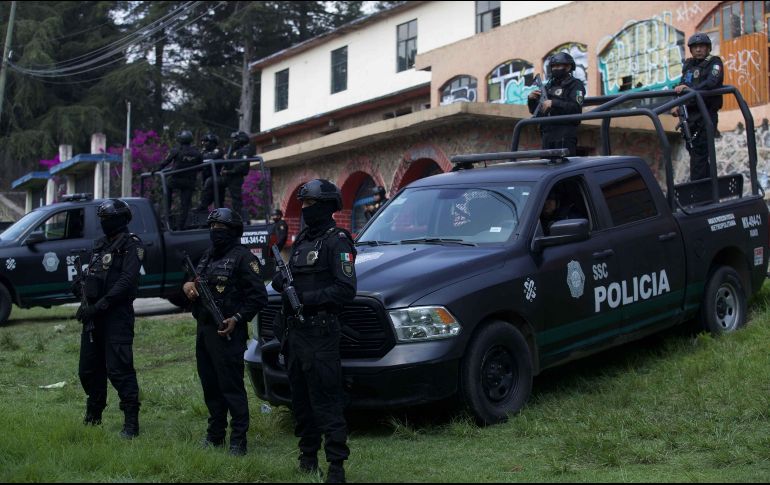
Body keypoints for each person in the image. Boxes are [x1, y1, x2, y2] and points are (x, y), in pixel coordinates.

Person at [271, 179, 356, 483]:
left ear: (325, 207)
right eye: (303, 204)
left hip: (321, 333)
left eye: (309, 204)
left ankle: (336, 466)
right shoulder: (302, 241)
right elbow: (291, 278)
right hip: (295, 335)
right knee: (302, 402)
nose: (305, 209)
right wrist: (281, 284)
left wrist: (306, 300)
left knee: (327, 401)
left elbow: (345, 289)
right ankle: (307, 458)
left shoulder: (338, 241)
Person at [183, 208, 267, 456]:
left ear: (232, 232)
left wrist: (238, 318)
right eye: (212, 228)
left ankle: (238, 440)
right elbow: (193, 282)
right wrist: (188, 286)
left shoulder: (244, 259)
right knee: (210, 385)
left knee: (231, 387)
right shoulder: (207, 257)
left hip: (228, 333)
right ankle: (215, 434)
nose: (214, 233)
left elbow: (258, 297)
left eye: (220, 229)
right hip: (205, 331)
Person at [74, 199, 144, 438]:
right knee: (88, 370)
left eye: (108, 218)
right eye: (101, 219)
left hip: (116, 316)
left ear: (121, 219)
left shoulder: (132, 246)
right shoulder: (100, 245)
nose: (104, 223)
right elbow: (94, 275)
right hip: (94, 318)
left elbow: (127, 281)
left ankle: (131, 424)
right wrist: (81, 287)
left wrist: (102, 304)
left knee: (119, 369)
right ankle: (94, 416)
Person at [672, 32, 724, 182]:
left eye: (702, 46)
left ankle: (698, 192)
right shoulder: (688, 64)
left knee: (700, 154)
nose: (698, 50)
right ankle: (707, 189)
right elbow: (681, 86)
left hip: (706, 114)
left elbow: (712, 83)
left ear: (708, 48)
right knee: (694, 153)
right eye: (695, 47)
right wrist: (677, 104)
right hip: (689, 116)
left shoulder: (714, 62)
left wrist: (690, 93)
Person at [527, 52, 586, 156]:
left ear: (568, 67)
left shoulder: (576, 85)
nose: (555, 69)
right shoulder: (548, 86)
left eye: (558, 66)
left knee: (565, 168)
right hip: (547, 135)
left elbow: (576, 108)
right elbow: (535, 111)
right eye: (553, 66)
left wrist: (554, 103)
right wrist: (532, 99)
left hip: (565, 135)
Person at [159, 130, 203, 230]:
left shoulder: (176, 150)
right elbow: (201, 167)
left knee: (166, 185)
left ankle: (167, 209)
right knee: (185, 205)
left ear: (180, 140)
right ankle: (181, 227)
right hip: (189, 182)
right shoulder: (197, 153)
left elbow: (165, 162)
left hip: (175, 180)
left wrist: (156, 170)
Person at [223, 131, 252, 219]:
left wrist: (229, 171)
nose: (233, 141)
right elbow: (227, 163)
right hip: (229, 176)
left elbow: (242, 166)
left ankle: (238, 216)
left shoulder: (244, 151)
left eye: (235, 140)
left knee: (236, 198)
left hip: (236, 177)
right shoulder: (233, 151)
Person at [196, 132, 226, 211]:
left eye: (206, 141)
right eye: (203, 142)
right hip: (205, 177)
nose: (204, 144)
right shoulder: (203, 151)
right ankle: (203, 209)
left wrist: (204, 159)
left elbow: (213, 157)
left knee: (218, 201)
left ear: (212, 142)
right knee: (206, 196)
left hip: (217, 177)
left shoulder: (218, 150)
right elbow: (198, 160)